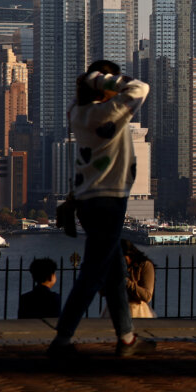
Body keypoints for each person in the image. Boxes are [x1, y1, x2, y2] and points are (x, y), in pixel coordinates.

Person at [48, 60, 154, 360]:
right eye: (110, 80)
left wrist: (93, 82)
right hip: (109, 201)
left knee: (114, 274)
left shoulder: (77, 113)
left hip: (87, 201)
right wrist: (105, 80)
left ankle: (127, 338)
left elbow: (79, 97)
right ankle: (63, 339)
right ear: (103, 86)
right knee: (93, 274)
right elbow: (140, 88)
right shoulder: (108, 113)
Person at [121, 239, 156, 318]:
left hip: (137, 311)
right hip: (115, 309)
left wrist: (125, 281)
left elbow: (147, 296)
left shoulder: (145, 265)